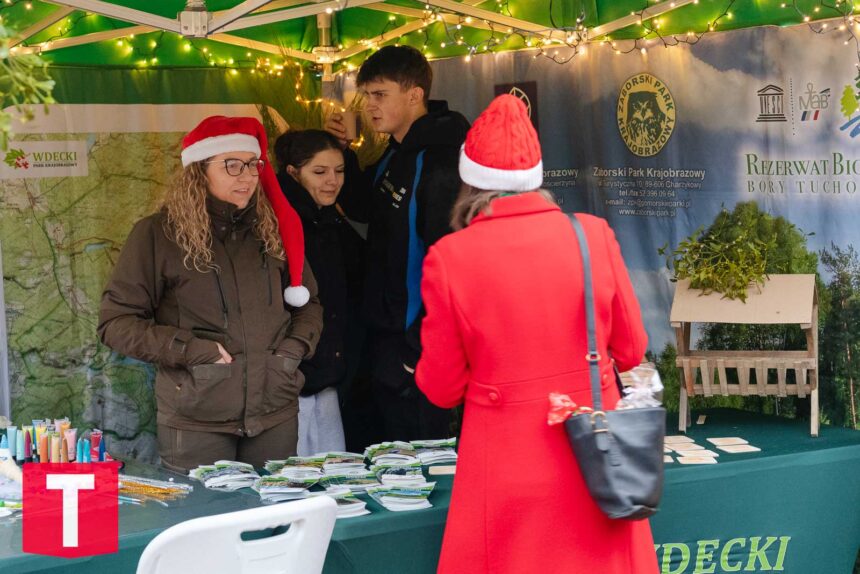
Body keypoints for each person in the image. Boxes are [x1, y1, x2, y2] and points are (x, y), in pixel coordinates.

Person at [415, 95, 659, 573]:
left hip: (504, 459)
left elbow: (441, 389)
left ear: (470, 181)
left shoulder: (450, 257)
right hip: (596, 454)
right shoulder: (593, 234)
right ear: (536, 178)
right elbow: (632, 350)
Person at [98, 116, 323, 472]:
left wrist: (290, 353)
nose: (247, 176)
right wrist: (193, 352)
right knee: (203, 524)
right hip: (196, 420)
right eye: (232, 165)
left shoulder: (275, 229)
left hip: (274, 412)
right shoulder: (157, 235)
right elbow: (116, 323)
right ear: (199, 171)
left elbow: (308, 305)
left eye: (252, 164)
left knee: (274, 520)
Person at [326, 45, 469, 441]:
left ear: (414, 94)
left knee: (423, 466)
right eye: (367, 95)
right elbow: (364, 206)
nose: (370, 106)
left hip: (416, 347)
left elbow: (451, 262)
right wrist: (344, 154)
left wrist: (416, 349)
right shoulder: (398, 150)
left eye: (379, 94)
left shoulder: (440, 159)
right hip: (385, 340)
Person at [274, 129, 368, 455]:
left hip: (327, 374)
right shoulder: (276, 224)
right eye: (320, 171)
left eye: (339, 171)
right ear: (292, 172)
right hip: (291, 378)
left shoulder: (330, 220)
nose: (332, 181)